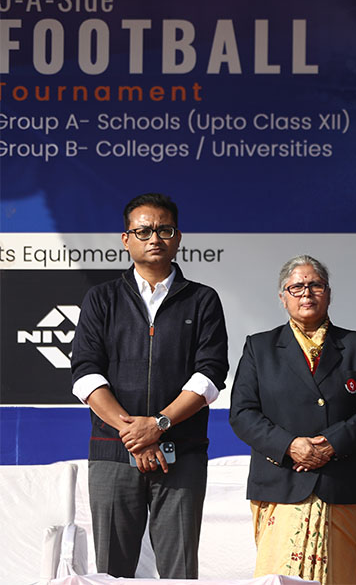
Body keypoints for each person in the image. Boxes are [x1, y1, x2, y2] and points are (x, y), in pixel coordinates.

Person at [69, 192, 229, 578]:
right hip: (113, 453)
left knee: (179, 572)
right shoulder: (101, 299)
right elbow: (85, 373)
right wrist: (134, 431)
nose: (154, 237)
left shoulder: (202, 301)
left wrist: (157, 425)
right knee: (112, 572)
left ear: (177, 237)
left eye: (164, 229)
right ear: (126, 239)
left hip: (182, 454)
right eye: (143, 230)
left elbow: (209, 376)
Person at [229, 255, 356, 583]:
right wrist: (289, 446)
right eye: (297, 287)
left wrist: (332, 444)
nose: (307, 293)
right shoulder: (259, 348)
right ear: (282, 296)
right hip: (281, 482)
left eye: (315, 285)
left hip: (341, 481)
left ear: (328, 293)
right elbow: (242, 413)